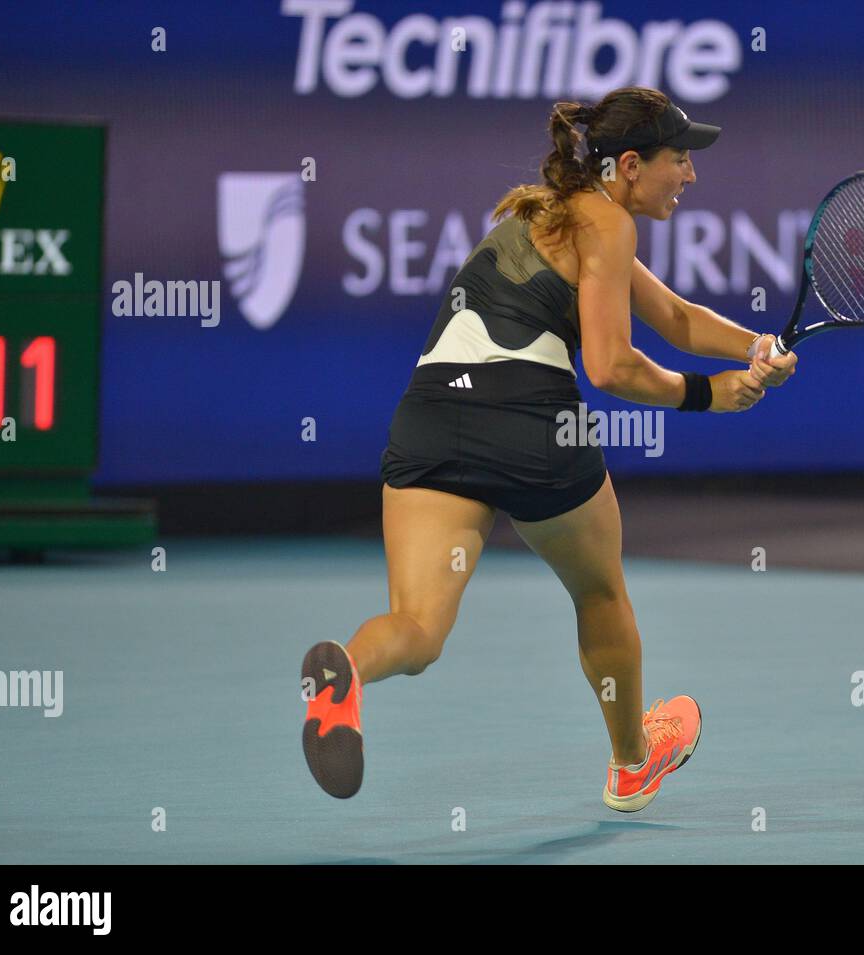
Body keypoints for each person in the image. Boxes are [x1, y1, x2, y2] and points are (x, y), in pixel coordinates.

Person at [301, 86, 797, 811]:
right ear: (630, 165)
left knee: (418, 627)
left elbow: (679, 318)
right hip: (531, 423)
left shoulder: (548, 213)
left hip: (431, 417)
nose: (690, 176)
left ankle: (344, 670)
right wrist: (709, 395)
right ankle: (632, 763)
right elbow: (611, 367)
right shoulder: (610, 226)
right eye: (679, 160)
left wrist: (758, 346)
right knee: (599, 593)